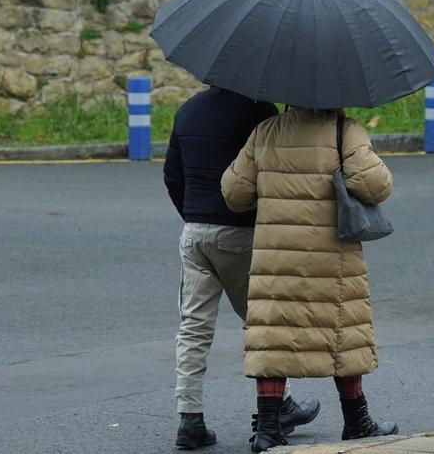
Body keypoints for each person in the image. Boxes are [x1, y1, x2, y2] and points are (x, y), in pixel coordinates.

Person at [221, 108, 398, 453]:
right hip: (331, 254)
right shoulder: (344, 130)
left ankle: (268, 430)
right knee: (342, 332)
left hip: (276, 255)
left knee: (273, 337)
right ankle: (357, 422)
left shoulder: (265, 132)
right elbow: (374, 186)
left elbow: (234, 194)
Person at [164, 87, 320, 450]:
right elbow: (273, 172)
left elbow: (173, 174)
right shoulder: (260, 111)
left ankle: (190, 417)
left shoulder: (187, 110)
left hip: (195, 231)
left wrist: (193, 214)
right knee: (262, 323)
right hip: (241, 231)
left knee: (193, 327)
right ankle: (278, 408)